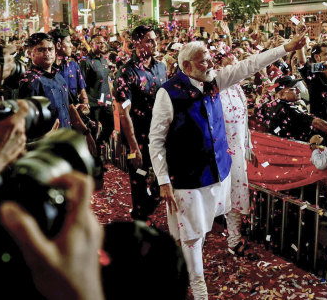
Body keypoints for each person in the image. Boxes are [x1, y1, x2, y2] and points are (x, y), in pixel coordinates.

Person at [148, 30, 307, 300]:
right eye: (203, 62)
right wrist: (163, 180)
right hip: (186, 178)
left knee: (196, 228)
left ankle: (180, 262)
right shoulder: (168, 93)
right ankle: (199, 288)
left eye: (210, 59)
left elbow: (250, 65)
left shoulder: (215, 81)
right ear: (186, 67)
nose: (211, 65)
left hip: (217, 172)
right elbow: (156, 139)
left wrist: (285, 48)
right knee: (193, 235)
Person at [114, 25, 167, 221]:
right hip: (137, 138)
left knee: (162, 177)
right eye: (148, 40)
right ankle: (139, 217)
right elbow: (124, 113)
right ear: (136, 44)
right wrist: (134, 147)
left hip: (160, 135)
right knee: (139, 177)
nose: (154, 43)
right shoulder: (126, 73)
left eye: (155, 39)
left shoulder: (162, 67)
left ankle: (144, 209)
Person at [215, 52, 257, 255]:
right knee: (209, 198)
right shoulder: (213, 90)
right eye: (232, 62)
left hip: (237, 156)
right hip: (216, 156)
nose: (237, 65)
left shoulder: (238, 90)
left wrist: (248, 147)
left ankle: (234, 240)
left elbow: (244, 122)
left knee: (236, 197)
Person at [19, 33, 71, 128]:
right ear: (30, 54)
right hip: (46, 142)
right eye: (41, 50)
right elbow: (25, 123)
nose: (47, 53)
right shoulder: (29, 82)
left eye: (50, 49)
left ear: (55, 52)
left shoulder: (59, 77)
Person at [258, 75, 315, 142]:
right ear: (282, 94)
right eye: (293, 88)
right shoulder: (277, 108)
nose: (299, 91)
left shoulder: (299, 102)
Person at [80, 35, 114, 145]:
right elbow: (81, 85)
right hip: (93, 103)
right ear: (91, 44)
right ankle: (95, 157)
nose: (102, 44)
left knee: (110, 126)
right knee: (93, 132)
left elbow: (107, 80)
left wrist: (112, 99)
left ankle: (98, 148)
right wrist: (85, 103)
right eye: (99, 42)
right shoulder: (86, 62)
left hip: (106, 101)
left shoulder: (103, 60)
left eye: (103, 42)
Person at [50, 28, 88, 107]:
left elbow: (82, 92)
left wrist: (85, 106)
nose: (71, 45)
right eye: (68, 42)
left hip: (74, 115)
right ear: (58, 45)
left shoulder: (73, 66)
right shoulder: (47, 69)